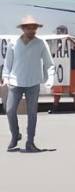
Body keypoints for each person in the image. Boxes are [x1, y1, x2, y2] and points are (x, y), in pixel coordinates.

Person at [2, 16, 54, 152]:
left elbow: (49, 64)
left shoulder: (41, 43)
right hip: (15, 83)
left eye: (34, 28)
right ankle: (15, 135)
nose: (32, 30)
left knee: (32, 113)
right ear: (23, 29)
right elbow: (7, 64)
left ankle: (30, 142)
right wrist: (5, 78)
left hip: (33, 83)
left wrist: (50, 79)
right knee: (10, 110)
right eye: (29, 28)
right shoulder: (13, 43)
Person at [51, 25, 75, 113]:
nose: (60, 33)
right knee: (57, 89)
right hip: (59, 68)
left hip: (73, 67)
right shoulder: (55, 41)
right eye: (59, 31)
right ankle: (54, 108)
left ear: (66, 31)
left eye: (62, 31)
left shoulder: (73, 39)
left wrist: (70, 39)